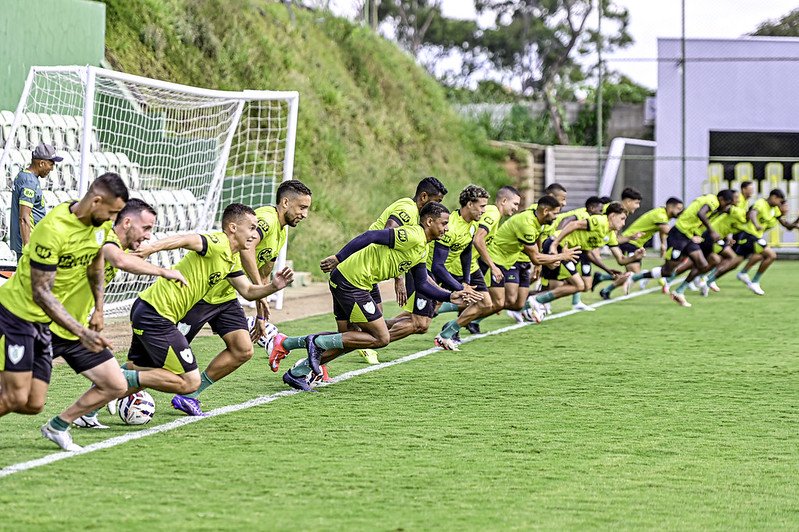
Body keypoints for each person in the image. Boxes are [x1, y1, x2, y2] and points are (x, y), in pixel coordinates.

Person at [136, 181, 312, 416]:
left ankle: (190, 396)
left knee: (243, 349)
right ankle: (119, 385)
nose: (305, 214)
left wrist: (262, 311)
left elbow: (264, 270)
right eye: (301, 207)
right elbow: (246, 249)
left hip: (227, 296)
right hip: (203, 295)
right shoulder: (266, 220)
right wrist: (152, 247)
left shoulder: (281, 232)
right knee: (159, 360)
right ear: (285, 202)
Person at [269, 202, 481, 391]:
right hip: (351, 282)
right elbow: (371, 236)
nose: (446, 228)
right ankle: (316, 342)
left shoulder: (422, 248)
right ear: (429, 221)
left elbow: (423, 283)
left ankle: (294, 364)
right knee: (381, 338)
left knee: (350, 339)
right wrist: (338, 257)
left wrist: (450, 295)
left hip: (352, 281)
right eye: (444, 223)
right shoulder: (413, 235)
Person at [0, 172, 128, 452]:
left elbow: (95, 265)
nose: (113, 220)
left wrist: (98, 308)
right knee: (13, 396)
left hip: (45, 323)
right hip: (17, 315)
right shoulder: (53, 229)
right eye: (112, 212)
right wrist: (81, 332)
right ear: (96, 201)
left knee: (33, 404)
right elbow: (41, 292)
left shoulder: (100, 228)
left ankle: (56, 425)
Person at [42, 199, 188, 444]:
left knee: (116, 384)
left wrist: (97, 312)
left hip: (73, 328)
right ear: (127, 222)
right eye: (146, 228)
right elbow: (118, 260)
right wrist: (164, 271)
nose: (148, 236)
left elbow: (98, 273)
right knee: (22, 396)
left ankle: (58, 426)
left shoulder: (112, 243)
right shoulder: (107, 238)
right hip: (43, 324)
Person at [630, 190, 736, 307]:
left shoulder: (711, 201)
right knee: (667, 271)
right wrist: (711, 231)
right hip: (678, 235)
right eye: (728, 203)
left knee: (702, 264)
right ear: (721, 199)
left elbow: (693, 214)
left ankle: (679, 291)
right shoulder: (713, 202)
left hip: (688, 236)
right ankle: (636, 277)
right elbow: (701, 213)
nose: (727, 206)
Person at [439, 185, 521, 334]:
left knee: (485, 302)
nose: (516, 208)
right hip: (460, 264)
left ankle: (450, 328)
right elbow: (478, 239)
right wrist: (493, 266)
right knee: (486, 301)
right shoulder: (493, 213)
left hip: (471, 264)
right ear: (503, 201)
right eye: (515, 204)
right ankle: (447, 326)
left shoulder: (492, 214)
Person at [527, 202, 629, 315]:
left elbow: (589, 253)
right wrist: (555, 244)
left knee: (553, 289)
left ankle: (523, 303)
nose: (623, 223)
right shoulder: (600, 221)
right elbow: (573, 224)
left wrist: (609, 271)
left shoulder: (609, 234)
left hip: (565, 251)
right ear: (612, 216)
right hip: (558, 247)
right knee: (579, 285)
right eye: (622, 218)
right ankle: (534, 302)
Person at [710, 189, 798, 295]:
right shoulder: (761, 203)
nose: (782, 205)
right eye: (780, 201)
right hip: (748, 235)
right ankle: (754, 281)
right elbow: (752, 213)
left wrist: (797, 220)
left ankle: (709, 280)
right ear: (774, 197)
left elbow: (787, 226)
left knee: (735, 263)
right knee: (771, 255)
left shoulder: (774, 210)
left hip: (754, 237)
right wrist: (756, 224)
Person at [597, 197, 684, 299]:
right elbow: (667, 230)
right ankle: (605, 288)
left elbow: (662, 230)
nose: (680, 212)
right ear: (670, 206)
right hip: (630, 242)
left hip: (636, 244)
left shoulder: (663, 215)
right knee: (634, 275)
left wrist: (663, 244)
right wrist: (686, 236)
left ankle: (602, 280)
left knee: (633, 275)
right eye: (678, 209)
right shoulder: (660, 215)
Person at [10, 143, 62, 256]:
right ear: (42, 163)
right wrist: (28, 248)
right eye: (51, 164)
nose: (52, 169)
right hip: (29, 245)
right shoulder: (29, 182)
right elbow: (24, 218)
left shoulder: (25, 176)